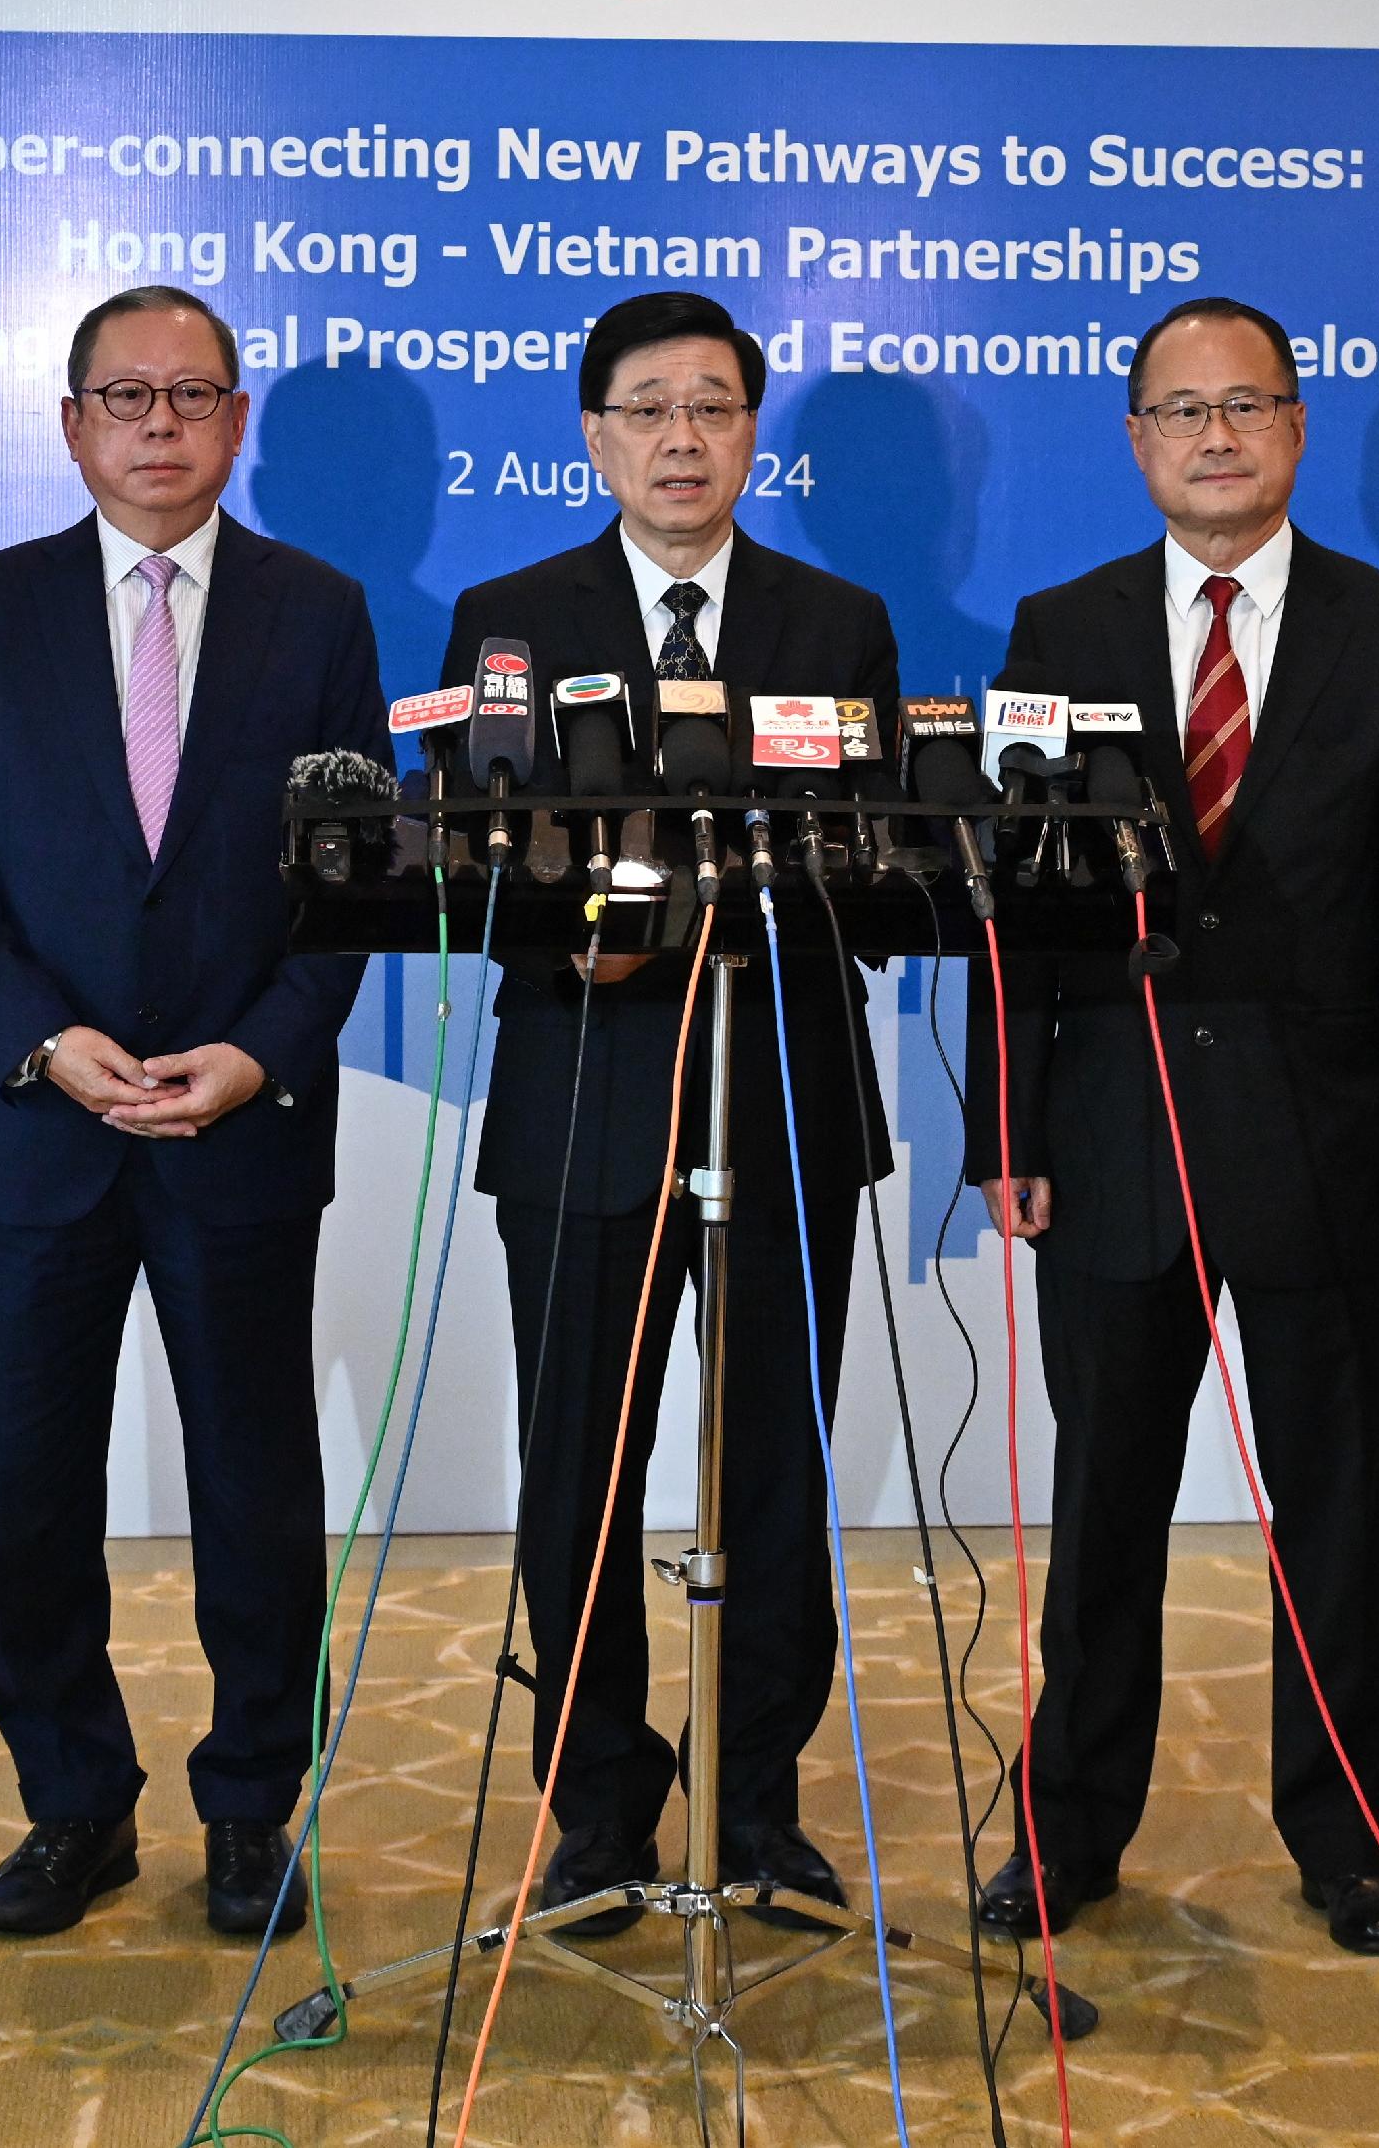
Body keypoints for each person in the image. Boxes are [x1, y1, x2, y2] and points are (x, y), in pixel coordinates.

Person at [964, 294, 1379, 1957]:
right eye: (1182, 412)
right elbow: (1015, 916)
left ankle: (1349, 1841)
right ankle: (1067, 1835)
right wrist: (1010, 1125)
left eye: (1248, 406)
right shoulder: (1061, 627)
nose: (1216, 437)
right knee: (1104, 1508)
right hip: (1110, 1131)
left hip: (1326, 1140)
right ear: (1134, 441)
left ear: (1296, 428)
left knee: (1330, 1508)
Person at [0, 284, 386, 1943]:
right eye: (125, 396)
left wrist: (259, 1054)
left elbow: (346, 885)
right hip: (41, 1123)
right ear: (71, 424)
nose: (159, 424)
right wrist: (46, 1038)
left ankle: (252, 1808)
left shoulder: (319, 616)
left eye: (192, 395)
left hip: (240, 1121)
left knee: (259, 1484)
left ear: (237, 423)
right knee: (33, 1487)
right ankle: (73, 1807)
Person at [440, 287, 902, 1931]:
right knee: (581, 1468)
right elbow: (470, 868)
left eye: (713, 406)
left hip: (780, 1091)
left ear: (751, 435)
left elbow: (875, 867)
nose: (682, 437)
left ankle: (760, 1799)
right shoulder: (506, 616)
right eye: (648, 408)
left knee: (775, 1458)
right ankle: (600, 1804)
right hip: (584, 1095)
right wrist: (604, 940)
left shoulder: (837, 623)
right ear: (593, 435)